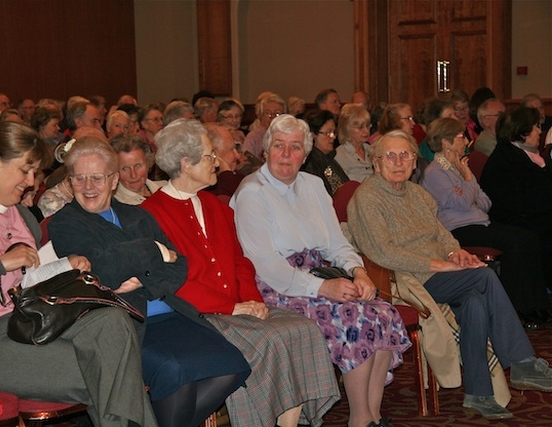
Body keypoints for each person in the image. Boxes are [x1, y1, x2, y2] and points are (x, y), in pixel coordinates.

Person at [0, 122, 157, 427]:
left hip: (28, 323)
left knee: (113, 322)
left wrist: (62, 267)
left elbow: (28, 283)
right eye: (25, 171)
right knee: (111, 371)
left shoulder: (22, 218)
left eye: (34, 173)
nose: (32, 182)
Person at [143, 118, 340, 427]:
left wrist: (250, 299)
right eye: (209, 156)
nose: (217, 162)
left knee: (304, 330)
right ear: (185, 163)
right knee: (270, 341)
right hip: (197, 315)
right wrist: (232, 307)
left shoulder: (215, 206)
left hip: (237, 305)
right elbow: (171, 282)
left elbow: (240, 261)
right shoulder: (151, 213)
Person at [347, 129, 552, 421]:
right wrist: (442, 264)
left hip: (433, 274)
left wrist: (457, 253)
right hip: (400, 280)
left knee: (475, 301)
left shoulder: (417, 194)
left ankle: (478, 394)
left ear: (414, 162)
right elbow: (383, 253)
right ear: (376, 163)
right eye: (388, 156)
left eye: (405, 154)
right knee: (483, 277)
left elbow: (441, 234)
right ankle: (521, 361)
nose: (397, 161)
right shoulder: (367, 198)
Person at [47, 136, 250, 427]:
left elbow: (179, 265)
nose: (88, 187)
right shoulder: (65, 223)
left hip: (171, 313)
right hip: (126, 326)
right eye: (79, 179)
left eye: (97, 178)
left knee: (230, 365)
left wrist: (142, 280)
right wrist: (153, 251)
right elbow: (103, 270)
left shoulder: (137, 215)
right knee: (176, 373)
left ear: (114, 180)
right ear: (69, 182)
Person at [231, 115, 410, 427]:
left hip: (318, 275)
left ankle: (372, 416)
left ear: (305, 154)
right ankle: (360, 419)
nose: (286, 154)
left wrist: (359, 272)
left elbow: (334, 243)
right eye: (279, 146)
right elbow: (266, 266)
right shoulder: (252, 193)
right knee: (355, 317)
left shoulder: (313, 185)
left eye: (295, 147)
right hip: (277, 288)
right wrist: (322, 288)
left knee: (382, 311)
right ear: (266, 150)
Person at [421, 117, 550, 326]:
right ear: (445, 142)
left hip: (480, 222)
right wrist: (468, 184)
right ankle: (517, 309)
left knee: (528, 237)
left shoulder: (460, 168)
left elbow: (485, 200)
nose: (467, 141)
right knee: (514, 244)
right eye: (461, 137)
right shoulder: (435, 172)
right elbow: (464, 204)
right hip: (457, 229)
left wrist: (466, 192)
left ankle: (537, 306)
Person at [480, 106, 552, 288]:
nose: (540, 131)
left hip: (531, 214)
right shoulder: (505, 160)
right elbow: (518, 202)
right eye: (535, 127)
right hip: (515, 219)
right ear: (522, 132)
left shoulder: (525, 155)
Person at [302, 109, 350, 197]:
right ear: (313, 135)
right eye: (328, 133)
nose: (333, 137)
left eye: (333, 132)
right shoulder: (308, 164)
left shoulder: (329, 158)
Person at [112, 135, 166, 205]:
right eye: (125, 169)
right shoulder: (116, 204)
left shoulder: (165, 188)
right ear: (116, 172)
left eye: (138, 166)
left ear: (148, 163)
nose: (133, 175)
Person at [335, 104, 374, 182]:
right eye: (360, 127)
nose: (366, 131)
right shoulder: (340, 155)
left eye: (368, 126)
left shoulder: (371, 150)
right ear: (347, 128)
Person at [242, 93, 286, 159]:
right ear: (260, 116)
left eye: (277, 113)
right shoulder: (253, 137)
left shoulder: (289, 135)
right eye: (268, 113)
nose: (272, 117)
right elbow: (247, 163)